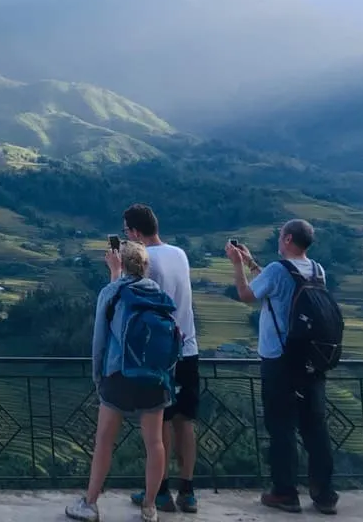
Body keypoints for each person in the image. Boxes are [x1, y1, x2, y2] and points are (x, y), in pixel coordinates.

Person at [227, 220, 338, 514]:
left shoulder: (279, 270)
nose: (278, 240)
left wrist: (237, 266)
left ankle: (284, 492)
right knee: (315, 426)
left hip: (279, 359)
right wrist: (251, 262)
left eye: (280, 236)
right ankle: (324, 493)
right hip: (311, 360)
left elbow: (247, 296)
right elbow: (281, 290)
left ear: (288, 239)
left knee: (281, 427)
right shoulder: (317, 270)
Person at [67, 241, 172, 522]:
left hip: (118, 377)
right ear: (146, 265)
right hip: (155, 378)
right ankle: (150, 507)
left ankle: (90, 504)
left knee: (103, 441)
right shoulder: (158, 293)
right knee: (155, 443)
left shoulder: (112, 292)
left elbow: (99, 340)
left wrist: (98, 377)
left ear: (120, 264)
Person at [121, 205, 200, 515]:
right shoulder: (180, 254)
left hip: (159, 354)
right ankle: (189, 491)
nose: (127, 238)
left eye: (127, 232)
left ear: (136, 233)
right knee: (185, 422)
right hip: (189, 349)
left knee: (160, 423)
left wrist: (117, 268)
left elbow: (125, 296)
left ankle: (160, 491)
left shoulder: (147, 262)